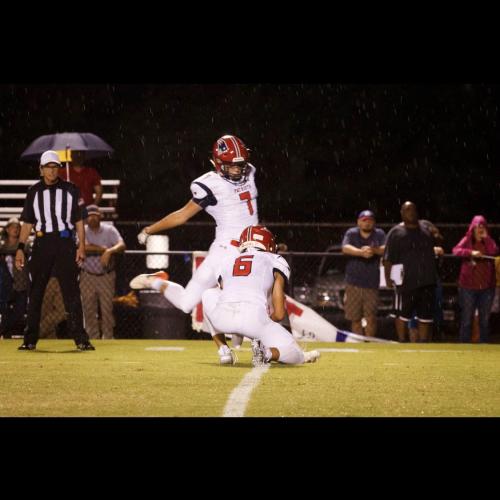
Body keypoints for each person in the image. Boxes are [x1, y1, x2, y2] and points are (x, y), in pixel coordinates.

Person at [130, 135, 258, 363]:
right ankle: (155, 281)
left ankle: (246, 342)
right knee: (187, 303)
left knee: (245, 299)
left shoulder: (250, 171)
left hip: (252, 249)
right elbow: (182, 215)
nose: (238, 170)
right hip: (225, 250)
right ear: (218, 163)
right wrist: (150, 229)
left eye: (240, 164)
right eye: (231, 165)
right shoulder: (209, 184)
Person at [201, 225, 320, 366]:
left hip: (221, 319)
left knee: (208, 293)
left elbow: (227, 294)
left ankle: (224, 351)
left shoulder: (227, 260)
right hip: (253, 319)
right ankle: (265, 353)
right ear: (268, 243)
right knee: (296, 354)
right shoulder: (275, 259)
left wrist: (238, 329)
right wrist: (262, 327)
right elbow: (280, 314)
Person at [15, 150, 95, 351]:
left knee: (71, 293)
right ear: (41, 169)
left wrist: (81, 246)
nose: (52, 171)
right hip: (42, 243)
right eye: (48, 167)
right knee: (35, 293)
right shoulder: (33, 192)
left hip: (65, 243)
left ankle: (81, 339)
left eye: (55, 167)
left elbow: (79, 220)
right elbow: (27, 223)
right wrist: (20, 248)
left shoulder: (71, 189)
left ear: (59, 169)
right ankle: (30, 339)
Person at [383, 202, 439, 342]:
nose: (411, 212)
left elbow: (439, 240)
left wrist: (436, 235)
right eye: (407, 210)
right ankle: (402, 341)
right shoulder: (396, 232)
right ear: (402, 213)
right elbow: (388, 258)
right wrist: (388, 279)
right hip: (405, 280)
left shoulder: (425, 227)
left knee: (425, 316)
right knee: (402, 314)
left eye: (413, 209)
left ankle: (423, 342)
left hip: (427, 280)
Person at [80, 205, 126, 339]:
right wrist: (103, 250)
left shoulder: (109, 230)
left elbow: (122, 245)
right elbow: (83, 247)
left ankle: (108, 338)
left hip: (106, 276)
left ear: (100, 216)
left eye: (95, 215)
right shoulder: (83, 230)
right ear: (86, 218)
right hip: (87, 275)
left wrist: (109, 251)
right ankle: (92, 338)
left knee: (107, 310)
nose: (92, 218)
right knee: (88, 310)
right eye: (89, 216)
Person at [452, 215, 498, 343]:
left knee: (484, 320)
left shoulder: (488, 241)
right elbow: (456, 250)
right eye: (478, 226)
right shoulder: (467, 240)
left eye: (482, 226)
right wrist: (470, 252)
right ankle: (464, 345)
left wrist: (486, 238)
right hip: (468, 288)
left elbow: (494, 251)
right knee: (467, 319)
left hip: (487, 288)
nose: (480, 229)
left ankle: (483, 346)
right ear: (472, 228)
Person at [341, 209, 386, 337]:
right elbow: (345, 248)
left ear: (374, 222)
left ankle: (369, 343)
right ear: (358, 222)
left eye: (370, 220)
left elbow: (386, 249)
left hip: (371, 283)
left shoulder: (379, 234)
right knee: (355, 318)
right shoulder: (352, 233)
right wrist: (361, 252)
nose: (367, 223)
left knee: (371, 317)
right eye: (364, 220)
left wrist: (373, 250)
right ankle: (359, 344)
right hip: (353, 283)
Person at [0, 218, 30, 338]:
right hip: (6, 284)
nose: (16, 229)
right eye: (13, 227)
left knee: (20, 310)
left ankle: (6, 330)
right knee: (5, 310)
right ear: (7, 229)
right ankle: (6, 332)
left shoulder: (24, 246)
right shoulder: (2, 247)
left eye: (18, 227)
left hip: (20, 283)